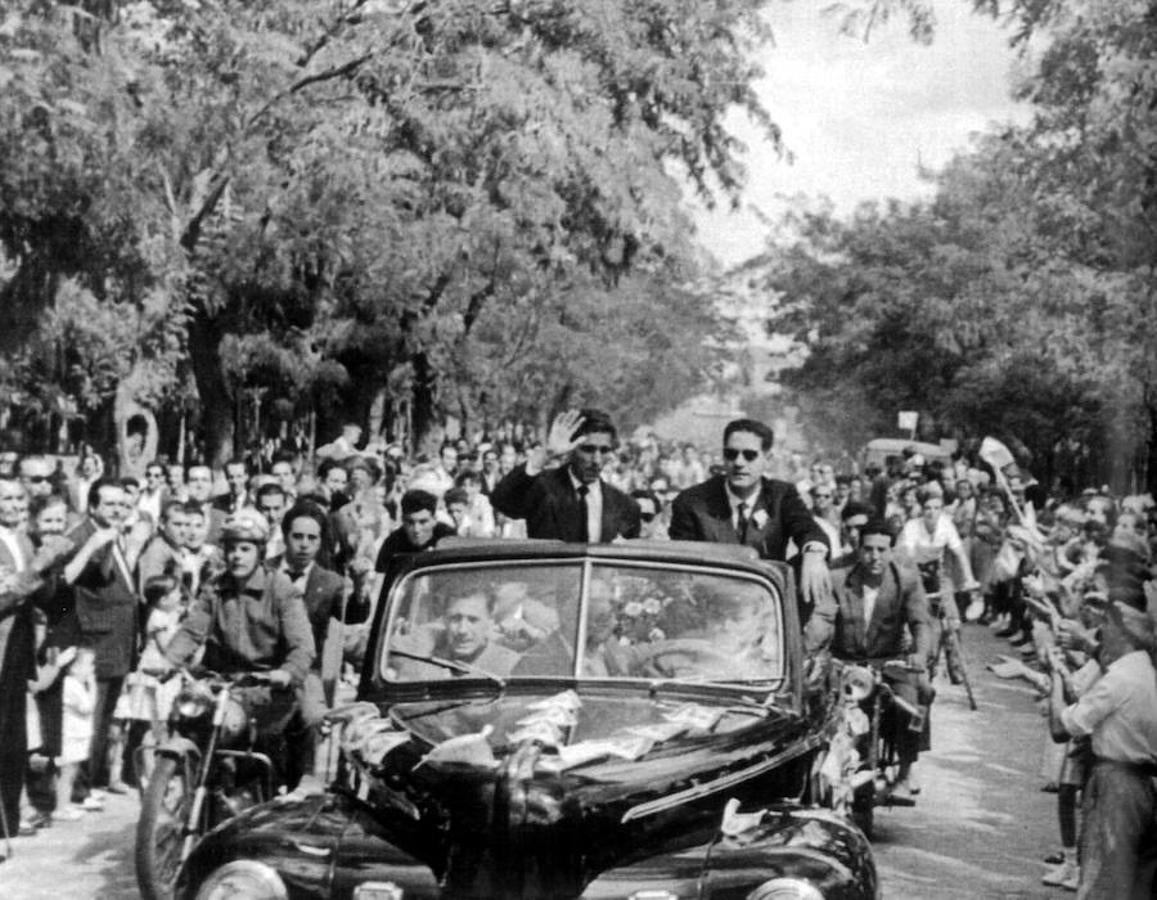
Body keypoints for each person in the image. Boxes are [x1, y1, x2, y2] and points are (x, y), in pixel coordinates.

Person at [162, 511, 316, 789]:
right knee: (188, 717)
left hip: (267, 689)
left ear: (260, 552)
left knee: (265, 752)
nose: (236, 556)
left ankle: (270, 795)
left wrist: (287, 672)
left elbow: (302, 646)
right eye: (231, 548)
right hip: (222, 685)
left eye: (245, 549)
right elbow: (192, 629)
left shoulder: (281, 590)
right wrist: (168, 661)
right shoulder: (215, 587)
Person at [668, 418, 833, 652]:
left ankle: (792, 645)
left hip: (765, 620)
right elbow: (681, 570)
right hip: (710, 625)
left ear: (768, 459)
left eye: (749, 455)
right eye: (731, 454)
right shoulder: (692, 502)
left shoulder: (781, 495)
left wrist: (814, 553)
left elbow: (807, 528)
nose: (739, 462)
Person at [1047, 600, 1157, 899]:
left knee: (1098, 878)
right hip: (1144, 787)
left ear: (1123, 634)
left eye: (1107, 624)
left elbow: (1060, 729)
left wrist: (1055, 674)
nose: (1100, 631)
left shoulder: (1119, 680)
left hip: (1114, 785)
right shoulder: (1143, 669)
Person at [830, 520, 934, 798]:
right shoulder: (838, 578)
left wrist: (920, 655)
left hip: (889, 663)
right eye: (867, 549)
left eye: (881, 549)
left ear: (891, 551)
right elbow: (823, 619)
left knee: (914, 704)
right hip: (845, 662)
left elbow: (921, 623)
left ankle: (906, 767)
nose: (874, 557)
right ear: (858, 548)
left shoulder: (906, 580)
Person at [57, 478, 139, 802]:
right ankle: (79, 788)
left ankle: (90, 783)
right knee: (90, 715)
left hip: (117, 638)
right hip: (96, 637)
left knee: (104, 715)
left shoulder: (112, 533)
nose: (118, 509)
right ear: (92, 506)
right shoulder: (83, 536)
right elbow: (69, 584)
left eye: (122, 503)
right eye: (110, 504)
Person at [490, 408, 641, 543]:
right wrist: (546, 454)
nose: (597, 460)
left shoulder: (625, 506)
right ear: (571, 449)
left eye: (604, 451)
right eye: (588, 449)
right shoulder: (543, 488)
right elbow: (501, 500)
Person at [391, 583, 520, 679]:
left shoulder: (509, 665)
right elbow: (377, 649)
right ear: (445, 620)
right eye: (455, 619)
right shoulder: (424, 643)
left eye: (473, 620)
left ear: (490, 620)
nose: (462, 630)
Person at [374, 489, 456, 574]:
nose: (416, 529)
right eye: (410, 522)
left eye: (423, 522)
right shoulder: (392, 544)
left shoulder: (448, 537)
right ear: (403, 521)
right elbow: (380, 581)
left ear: (434, 520)